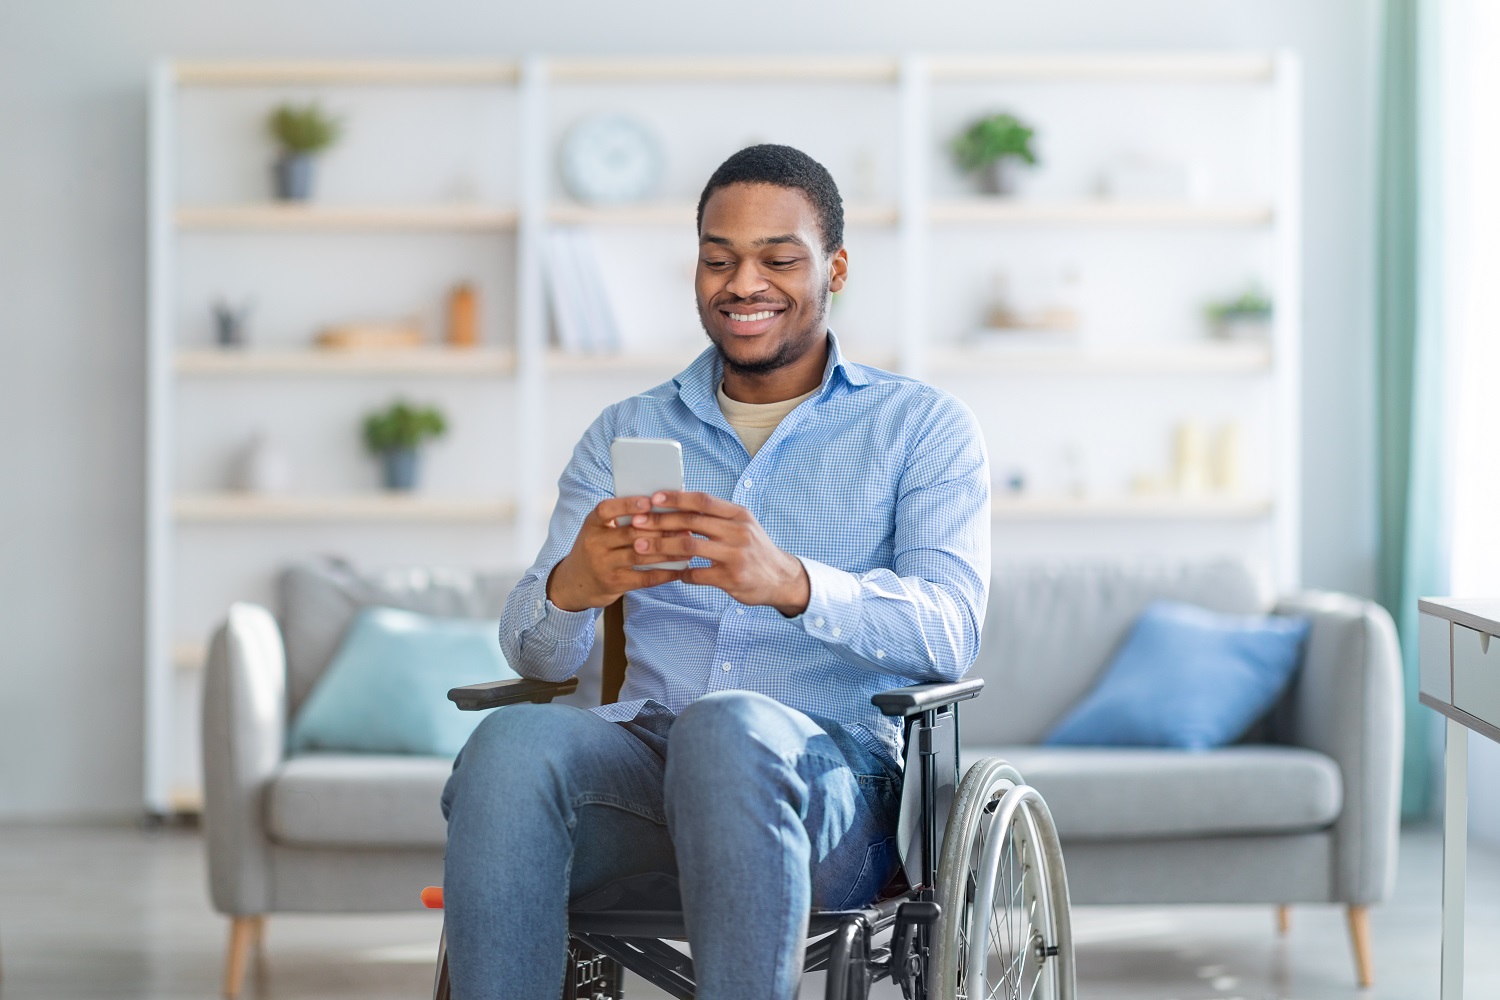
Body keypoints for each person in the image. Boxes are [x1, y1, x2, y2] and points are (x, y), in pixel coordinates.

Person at [441, 144, 990, 1000]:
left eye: (778, 258)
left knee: (726, 729)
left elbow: (951, 632)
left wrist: (796, 584)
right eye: (718, 258)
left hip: (828, 789)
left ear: (834, 268)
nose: (744, 283)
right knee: (510, 743)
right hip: (647, 772)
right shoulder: (624, 429)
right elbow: (535, 657)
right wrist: (575, 585)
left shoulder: (921, 428)